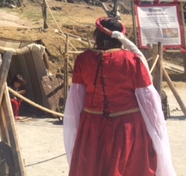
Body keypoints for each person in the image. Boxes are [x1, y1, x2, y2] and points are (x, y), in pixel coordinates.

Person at [63, 17, 176, 176]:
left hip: (92, 128)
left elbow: (75, 100)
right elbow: (149, 101)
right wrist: (156, 132)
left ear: (98, 35)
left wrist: (76, 130)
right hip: (127, 128)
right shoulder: (132, 60)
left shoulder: (83, 59)